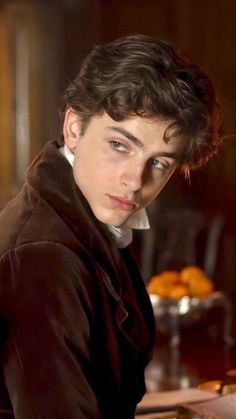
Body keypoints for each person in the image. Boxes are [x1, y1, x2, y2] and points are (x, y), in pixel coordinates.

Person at [0, 34, 222, 418]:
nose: (135, 181)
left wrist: (205, 405)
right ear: (74, 127)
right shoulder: (44, 257)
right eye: (120, 145)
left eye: (160, 163)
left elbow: (100, 400)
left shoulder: (78, 219)